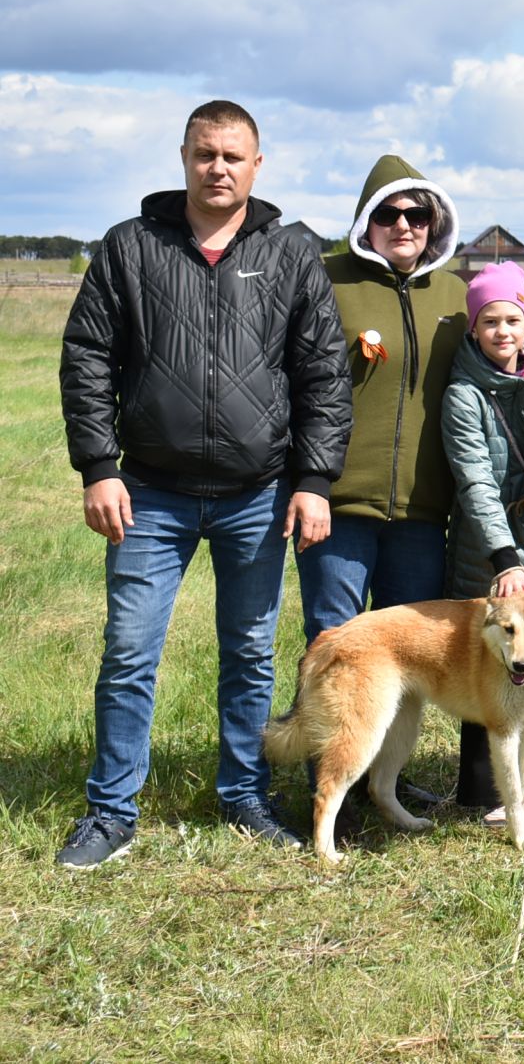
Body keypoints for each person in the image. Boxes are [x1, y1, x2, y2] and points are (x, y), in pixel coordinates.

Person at [56, 100, 351, 867]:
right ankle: (111, 809)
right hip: (149, 493)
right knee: (129, 649)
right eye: (204, 154)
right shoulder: (130, 247)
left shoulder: (291, 253)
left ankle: (244, 793)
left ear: (258, 164)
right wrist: (98, 466)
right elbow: (88, 356)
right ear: (183, 157)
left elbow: (323, 372)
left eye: (233, 156)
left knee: (251, 652)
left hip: (257, 493)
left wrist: (313, 479)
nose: (218, 168)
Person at [294, 154, 468, 827]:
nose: (404, 224)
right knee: (335, 647)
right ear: (367, 219)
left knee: (410, 662)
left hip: (424, 513)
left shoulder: (455, 294)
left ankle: (387, 783)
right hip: (339, 505)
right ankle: (324, 784)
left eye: (417, 213)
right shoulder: (328, 281)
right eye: (390, 212)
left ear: (435, 222)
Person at [442, 261, 524, 828]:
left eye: (513, 320)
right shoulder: (462, 394)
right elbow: (474, 479)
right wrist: (504, 558)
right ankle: (490, 792)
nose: (503, 331)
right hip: (487, 545)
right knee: (493, 666)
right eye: (490, 320)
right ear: (474, 328)